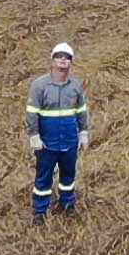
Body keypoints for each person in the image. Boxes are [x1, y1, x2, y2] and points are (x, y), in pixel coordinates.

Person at [28, 42, 92, 222]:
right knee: (44, 176)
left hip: (70, 140)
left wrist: (83, 132)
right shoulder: (39, 85)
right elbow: (32, 112)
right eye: (59, 57)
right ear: (52, 61)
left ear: (71, 63)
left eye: (67, 58)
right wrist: (34, 135)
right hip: (47, 142)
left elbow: (81, 110)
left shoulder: (75, 86)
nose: (63, 60)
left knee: (69, 175)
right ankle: (40, 211)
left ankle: (67, 204)